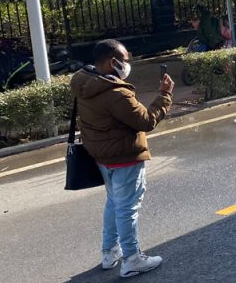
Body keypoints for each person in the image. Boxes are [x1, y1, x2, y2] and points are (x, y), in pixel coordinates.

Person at [70, 39, 173, 278]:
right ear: (112, 61)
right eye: (125, 60)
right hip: (125, 155)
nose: (128, 65)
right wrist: (165, 96)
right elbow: (146, 121)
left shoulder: (85, 82)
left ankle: (110, 252)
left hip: (101, 155)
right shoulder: (115, 92)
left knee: (114, 203)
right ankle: (132, 258)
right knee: (127, 208)